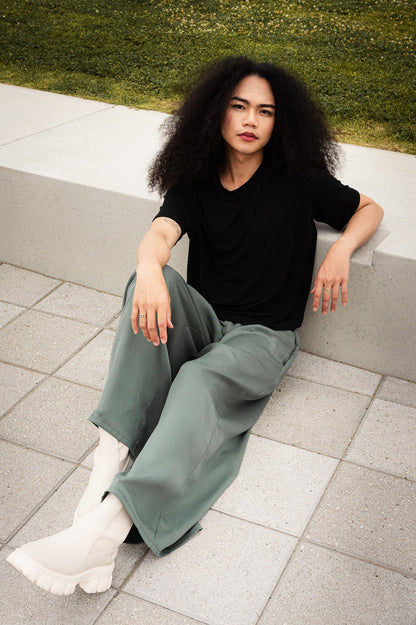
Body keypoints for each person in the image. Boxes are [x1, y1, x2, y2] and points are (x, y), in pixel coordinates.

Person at [7, 56, 383, 595]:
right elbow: (161, 233)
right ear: (215, 112)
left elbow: (368, 209)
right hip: (204, 322)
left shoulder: (298, 178)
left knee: (197, 380)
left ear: (281, 121)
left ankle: (103, 530)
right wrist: (148, 268)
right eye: (239, 106)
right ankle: (108, 459)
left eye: (265, 111)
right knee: (148, 281)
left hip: (263, 337)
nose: (250, 120)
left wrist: (342, 249)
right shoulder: (197, 180)